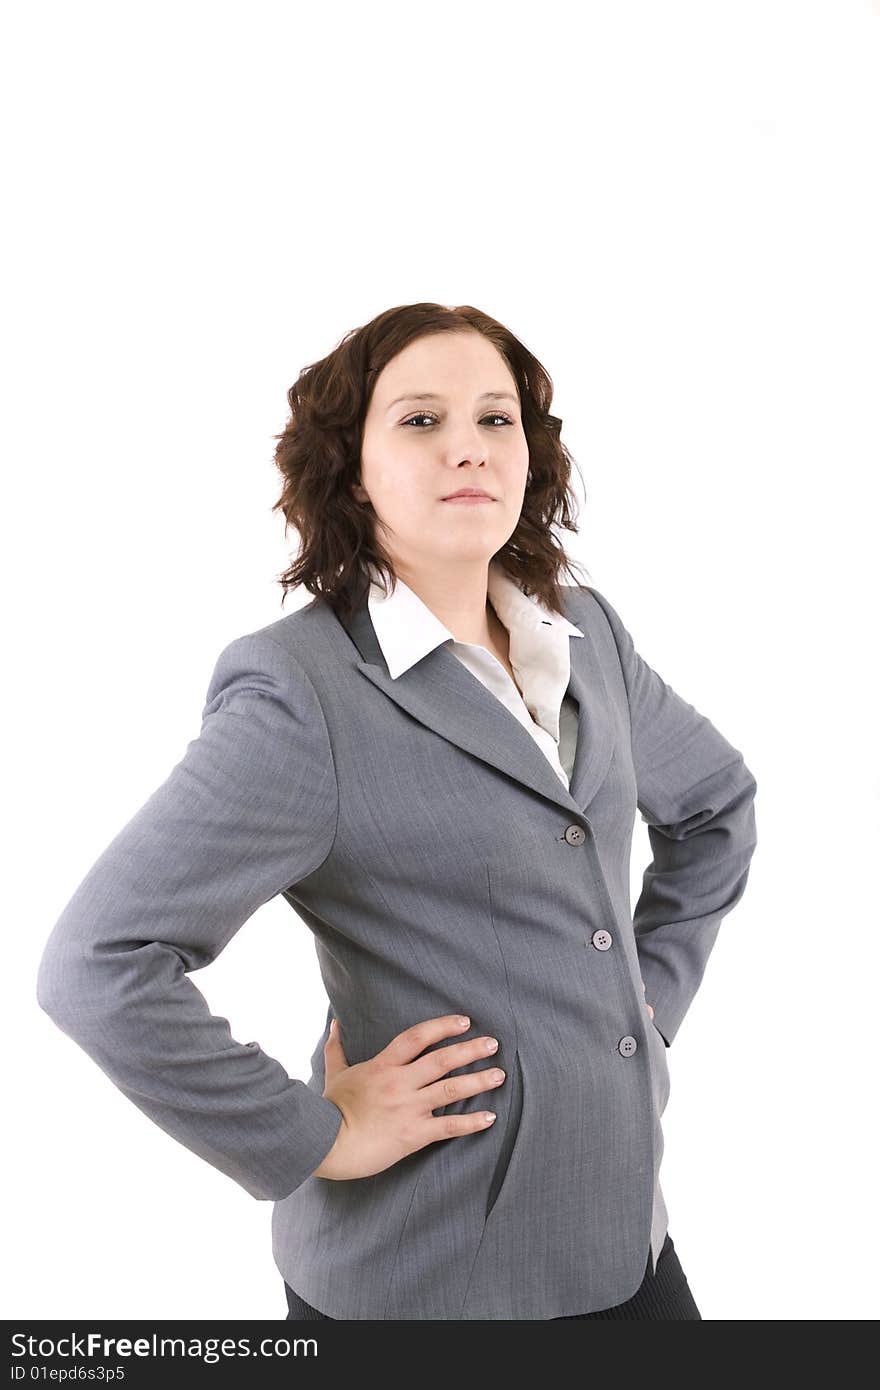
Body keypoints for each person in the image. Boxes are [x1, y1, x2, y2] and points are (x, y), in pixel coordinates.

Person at [37, 302, 757, 1320]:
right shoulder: (300, 695)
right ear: (350, 465)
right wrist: (312, 1133)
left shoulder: (582, 631)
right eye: (420, 421)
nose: (466, 446)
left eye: (495, 419)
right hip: (429, 1282)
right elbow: (96, 966)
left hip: (627, 1253)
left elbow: (716, 804)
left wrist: (651, 995)